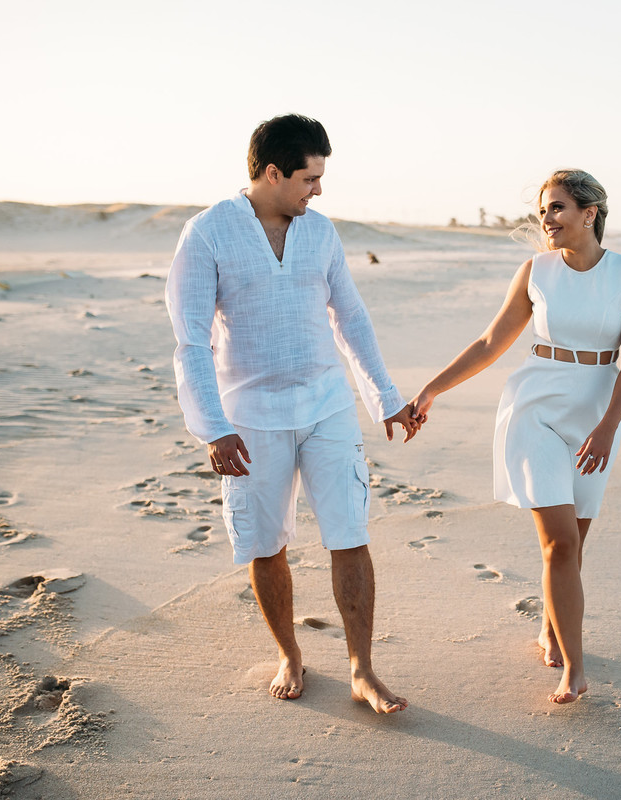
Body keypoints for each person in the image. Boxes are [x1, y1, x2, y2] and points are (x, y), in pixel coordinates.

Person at [166, 114, 417, 713]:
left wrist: (385, 396)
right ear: (272, 173)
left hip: (327, 404)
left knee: (350, 534)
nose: (319, 190)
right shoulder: (207, 234)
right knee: (265, 545)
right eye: (309, 178)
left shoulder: (322, 232)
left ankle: (362, 668)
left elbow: (350, 318)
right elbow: (191, 341)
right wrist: (213, 427)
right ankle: (290, 653)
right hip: (248, 417)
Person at [411, 169, 621, 703]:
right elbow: (491, 341)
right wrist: (431, 390)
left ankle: (549, 625)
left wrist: (608, 427)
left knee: (574, 545)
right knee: (559, 543)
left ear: (590, 214)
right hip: (535, 407)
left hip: (595, 413)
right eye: (543, 210)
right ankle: (575, 667)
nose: (547, 220)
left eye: (558, 208)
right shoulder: (535, 272)